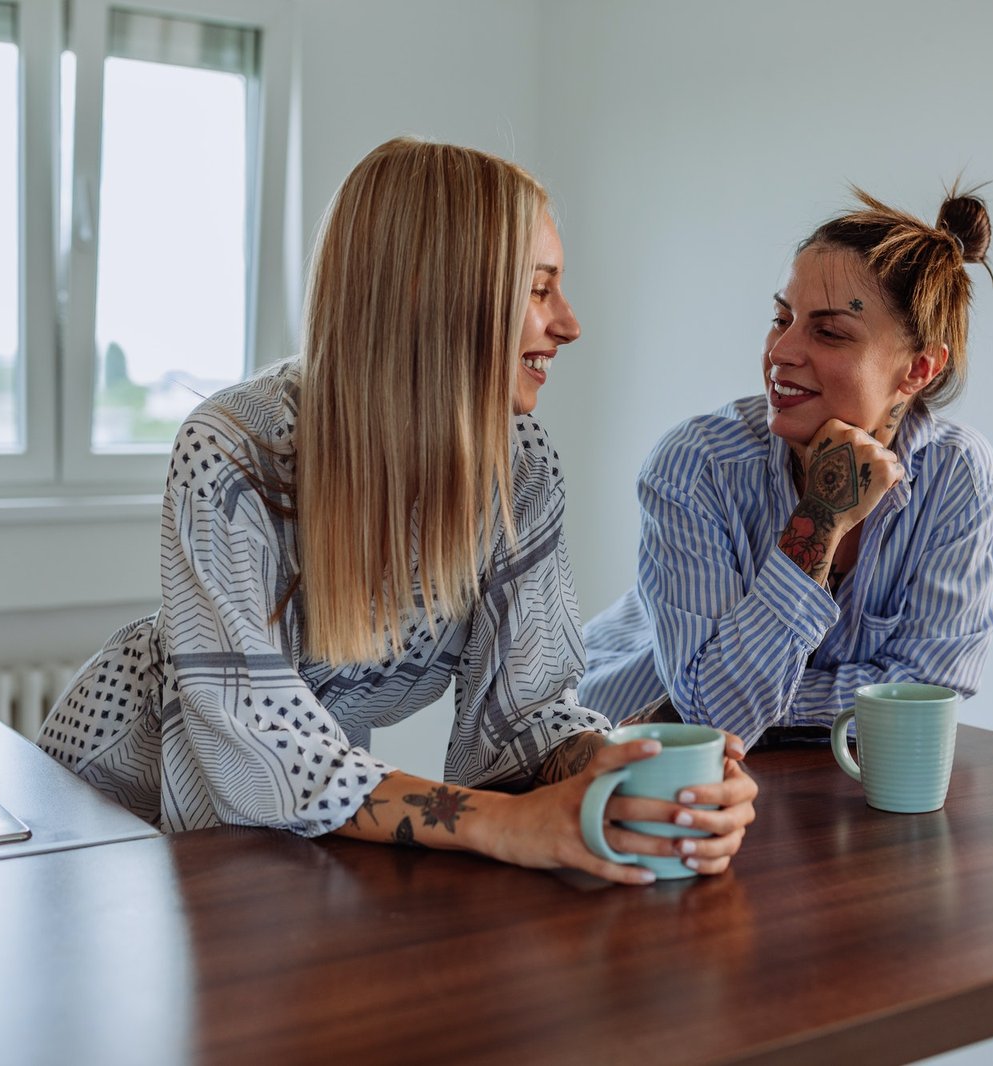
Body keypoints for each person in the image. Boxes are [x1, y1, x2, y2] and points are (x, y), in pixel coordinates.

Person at [38, 138, 756, 885]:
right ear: (437, 291)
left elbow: (524, 712)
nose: (569, 324)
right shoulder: (234, 450)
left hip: (282, 842)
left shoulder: (520, 466)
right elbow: (258, 751)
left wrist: (605, 764)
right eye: (540, 290)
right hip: (108, 807)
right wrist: (507, 824)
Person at [579, 186, 993, 748]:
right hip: (610, 764)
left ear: (918, 368)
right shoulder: (698, 465)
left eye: (828, 332)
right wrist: (822, 515)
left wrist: (737, 699)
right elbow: (722, 716)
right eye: (781, 319)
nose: (781, 351)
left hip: (810, 779)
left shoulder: (959, 477)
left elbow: (932, 690)